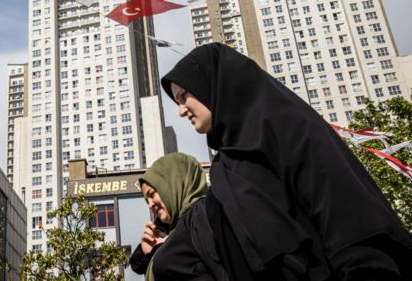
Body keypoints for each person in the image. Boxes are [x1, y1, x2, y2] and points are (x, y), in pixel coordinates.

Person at [160, 42, 412, 280]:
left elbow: (347, 217)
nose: (181, 110)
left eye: (183, 96)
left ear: (210, 85)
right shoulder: (225, 170)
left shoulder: (286, 129)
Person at [129, 152, 228, 280]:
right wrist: (151, 251)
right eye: (147, 201)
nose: (151, 204)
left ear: (173, 183)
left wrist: (164, 248)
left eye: (152, 194)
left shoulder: (201, 215)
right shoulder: (173, 228)